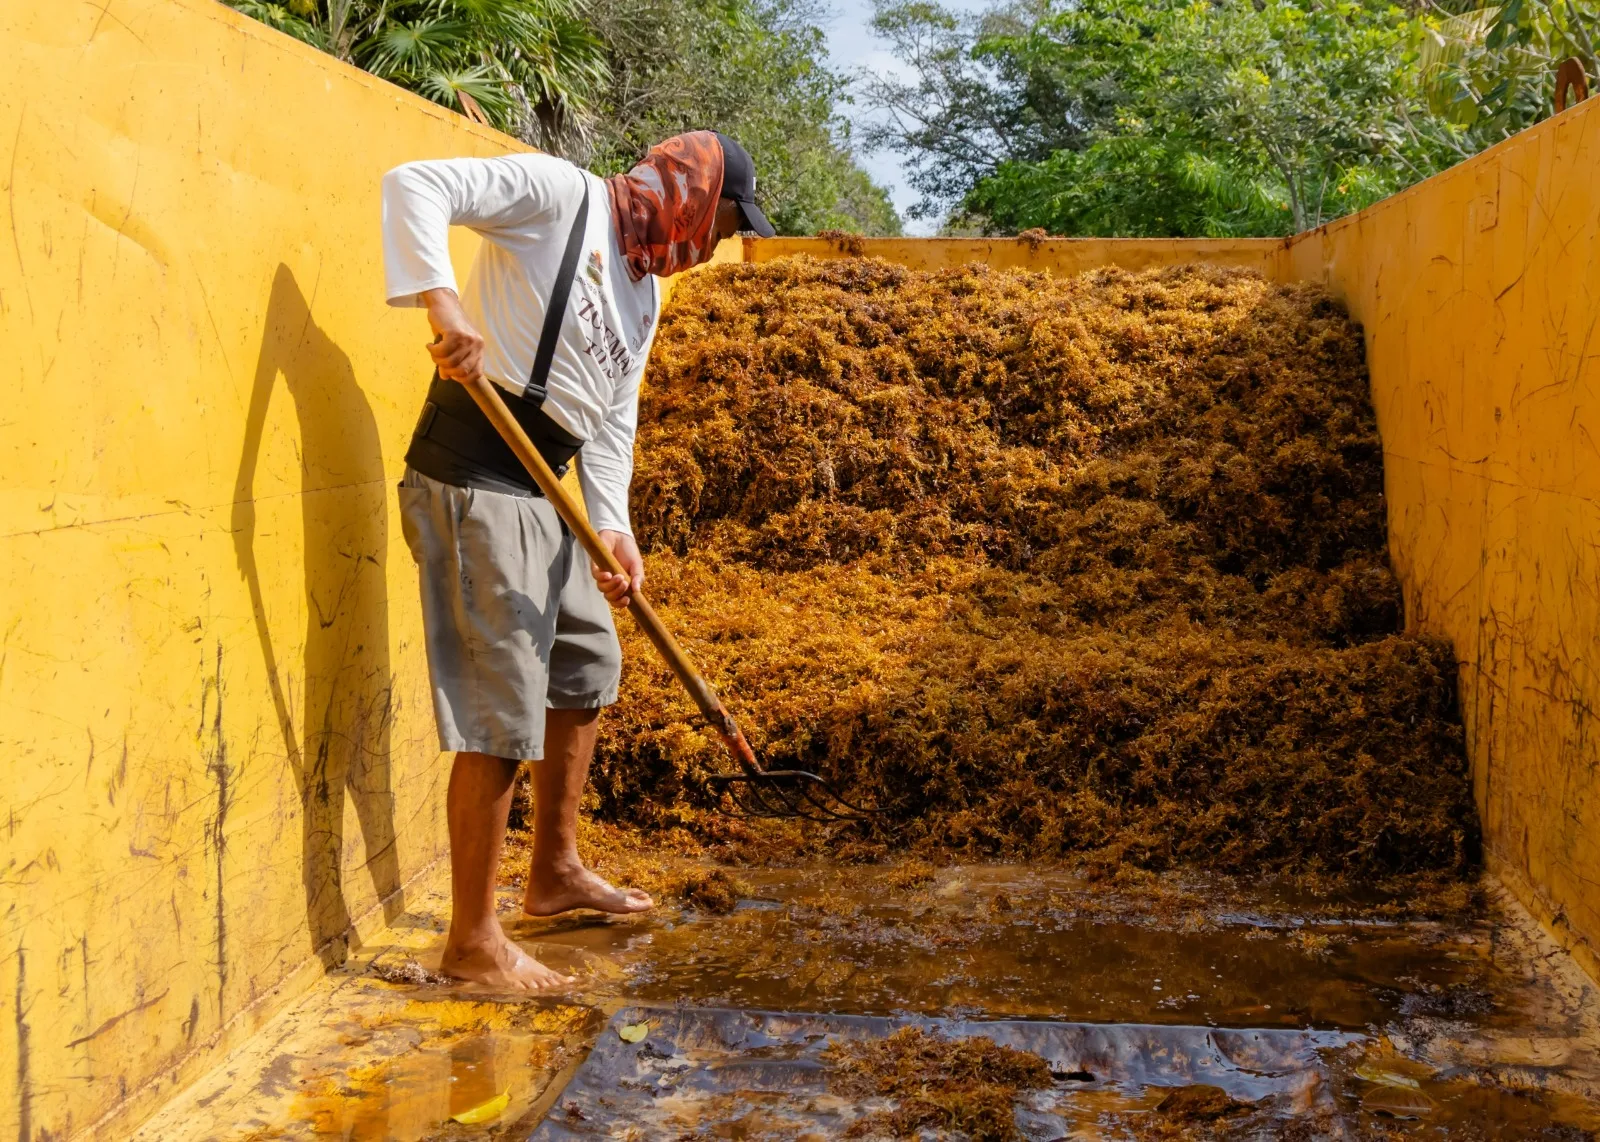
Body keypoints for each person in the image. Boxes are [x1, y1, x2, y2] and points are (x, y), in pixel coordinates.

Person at [381, 131, 776, 989]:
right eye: (720, 224)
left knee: (590, 661)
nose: (711, 247)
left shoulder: (646, 293)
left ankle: (553, 875)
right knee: (502, 709)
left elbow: (611, 414)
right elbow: (413, 181)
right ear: (689, 194)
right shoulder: (559, 194)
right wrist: (444, 307)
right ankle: (472, 944)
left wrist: (614, 526)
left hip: (548, 487)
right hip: (478, 472)